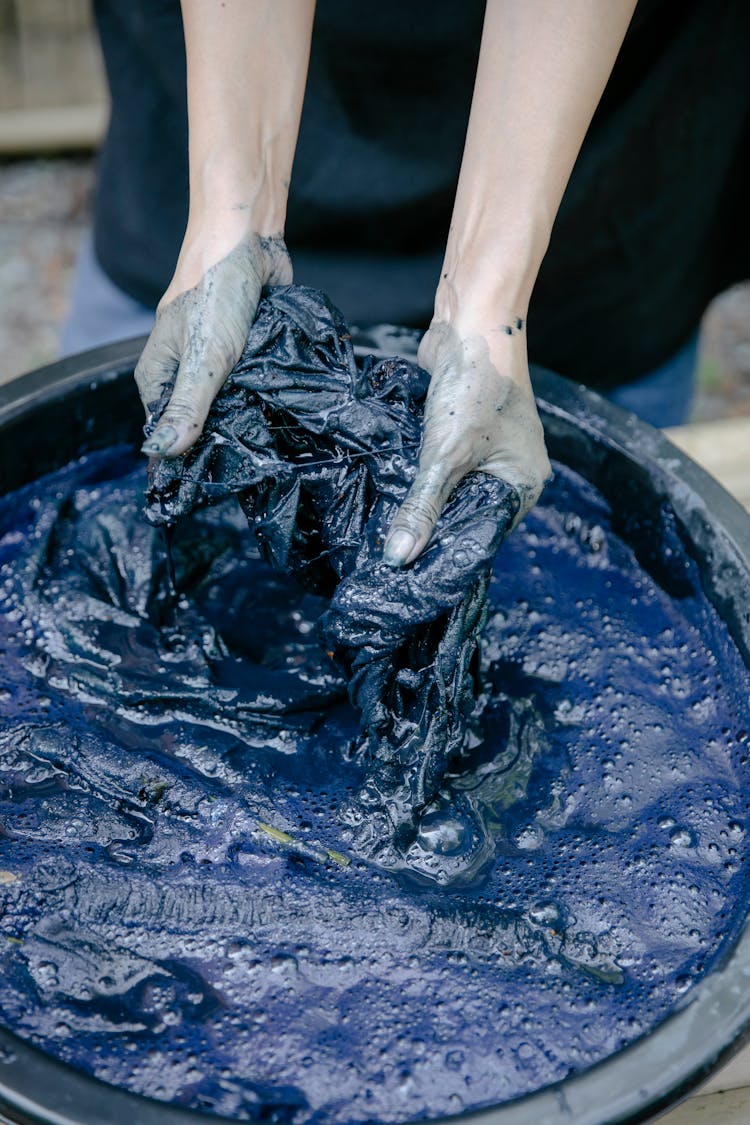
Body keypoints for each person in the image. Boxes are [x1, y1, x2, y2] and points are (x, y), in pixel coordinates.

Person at [64, 0, 750, 566]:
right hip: (214, 96)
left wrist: (490, 308)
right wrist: (230, 220)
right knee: (128, 501)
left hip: (587, 175)